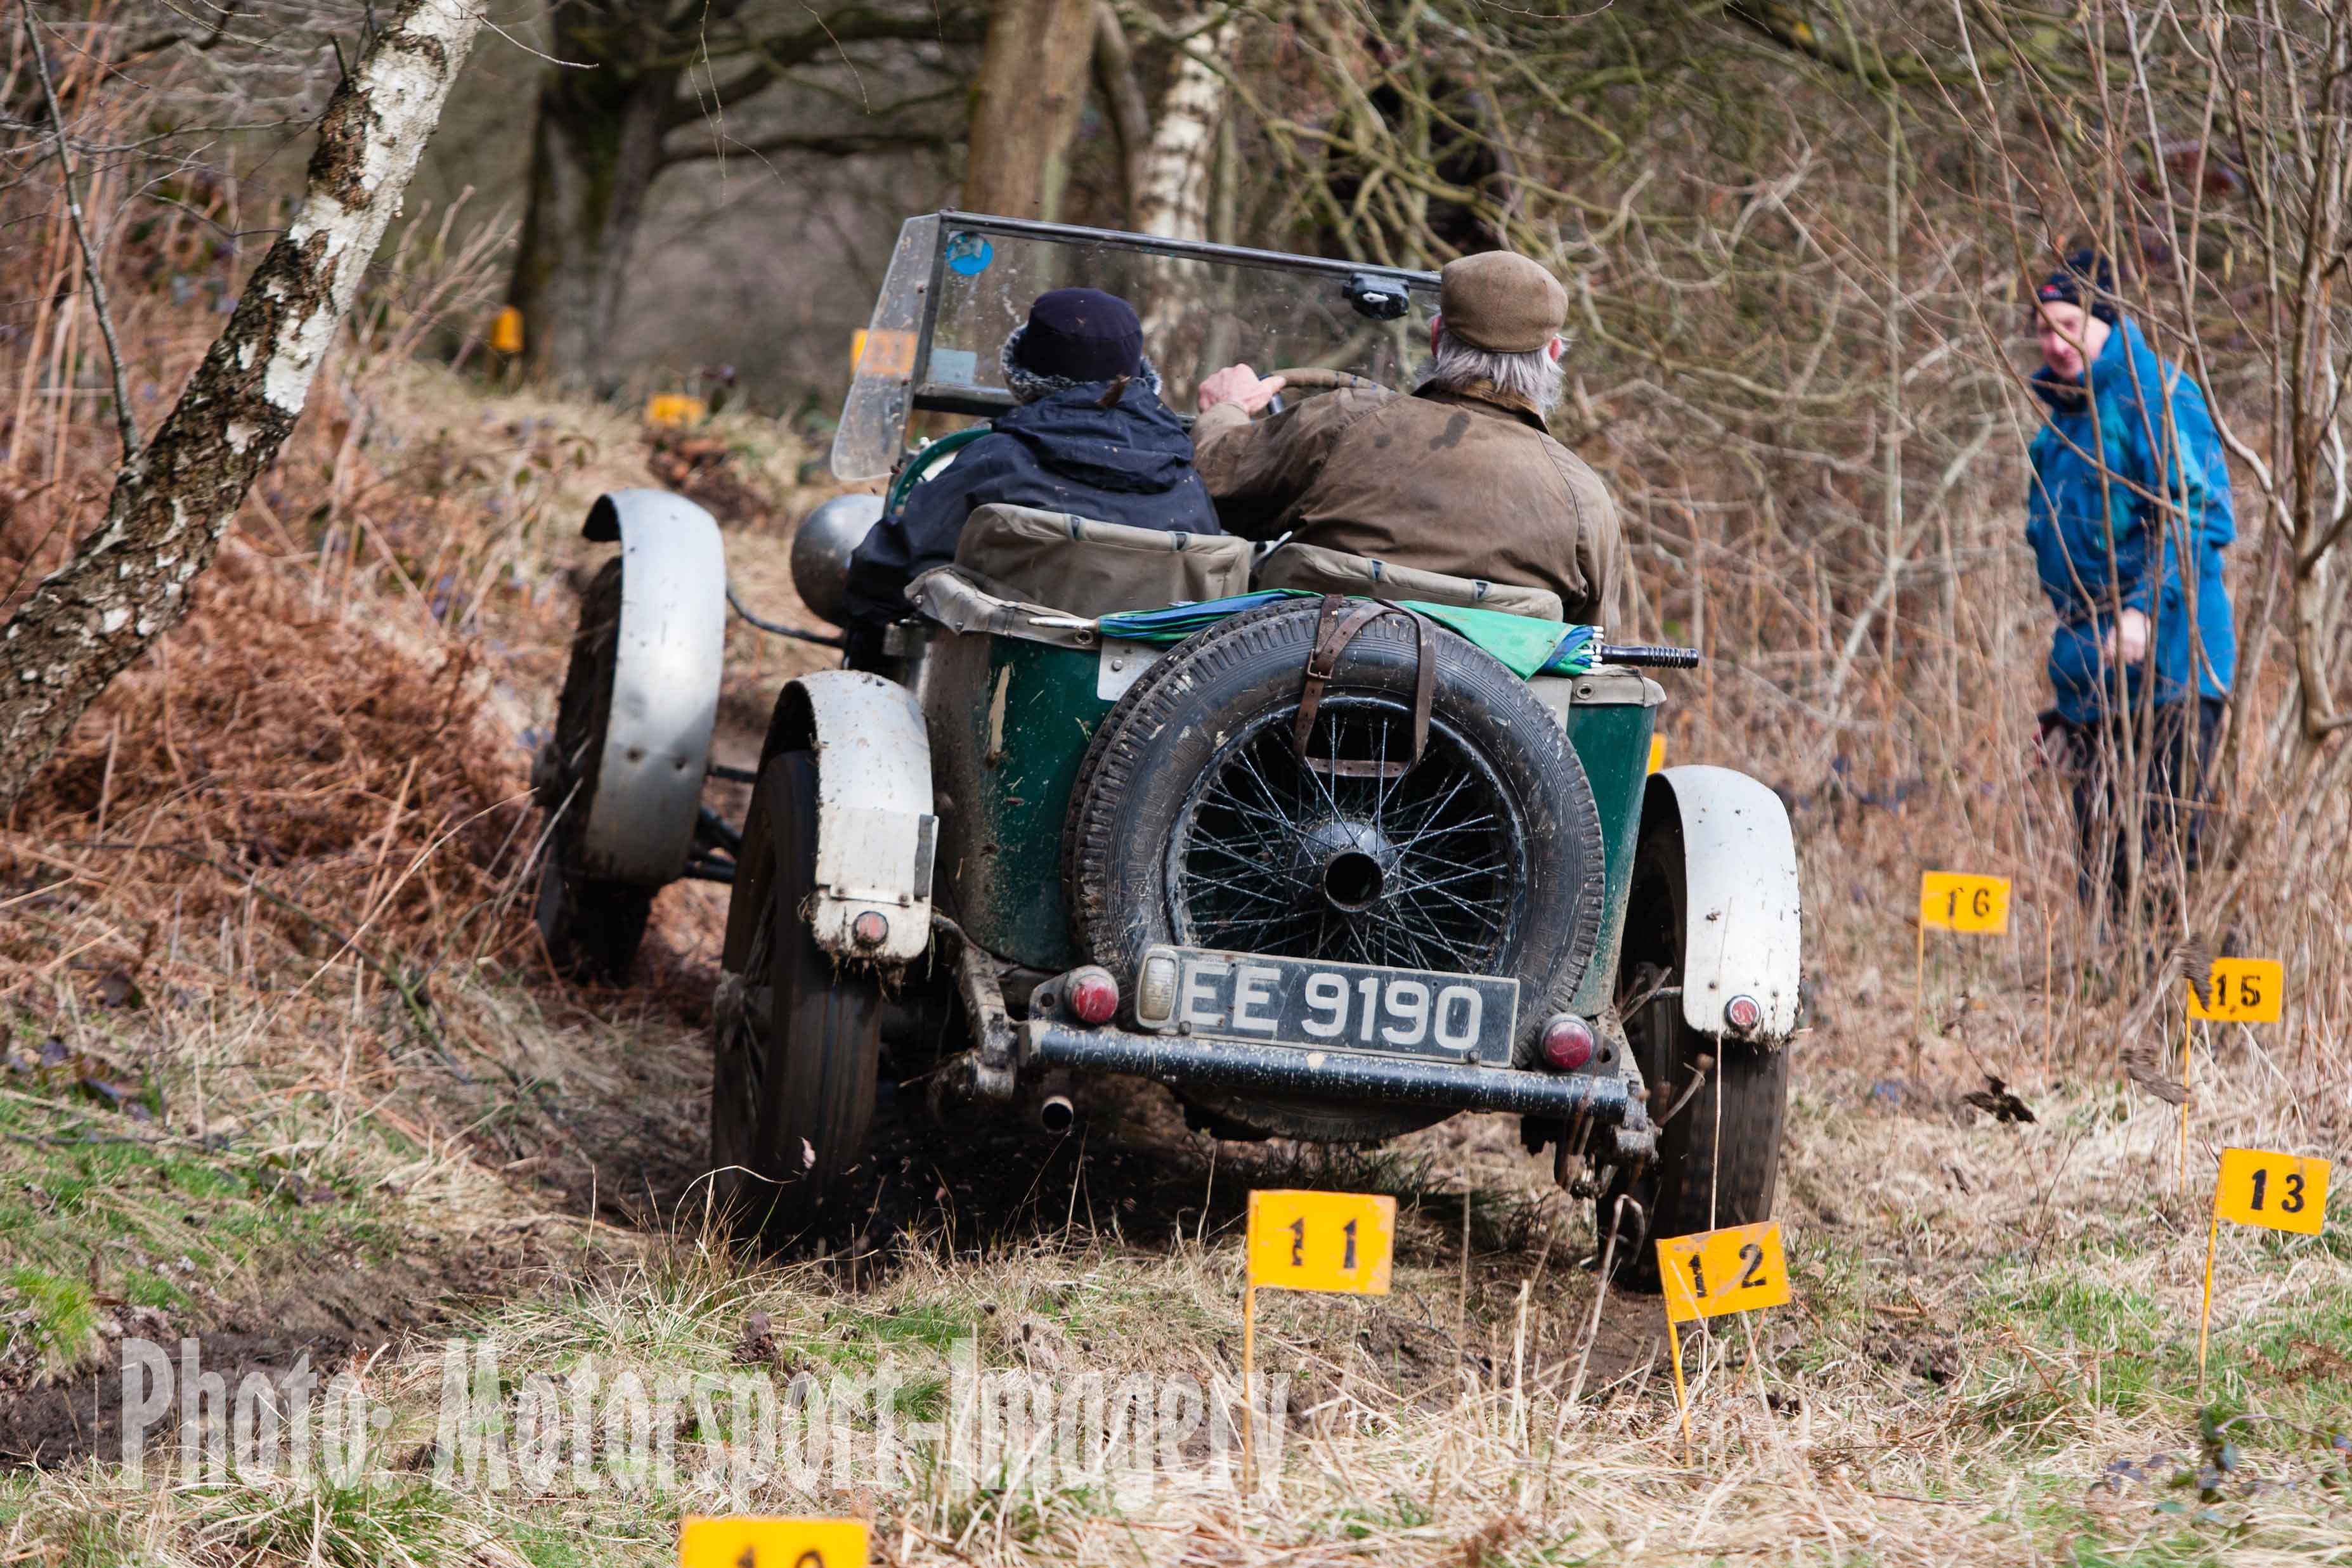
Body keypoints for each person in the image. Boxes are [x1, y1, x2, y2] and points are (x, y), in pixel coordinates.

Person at [1186, 250, 1620, 625]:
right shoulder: (1583, 500)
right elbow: (1595, 648)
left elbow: (1213, 485)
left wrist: (1226, 408)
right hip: (1480, 720)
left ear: (1435, 338)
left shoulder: (1344, 422)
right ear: (1553, 353)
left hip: (1285, 705)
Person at [842, 288, 1220, 659]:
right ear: (1141, 378)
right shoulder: (1187, 483)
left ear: (1023, 378)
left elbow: (885, 568)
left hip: (995, 684)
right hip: (1157, 705)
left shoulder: (994, 461)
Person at [2025, 249, 2236, 911]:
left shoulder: (2157, 398)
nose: (2052, 342)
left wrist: (2143, 612)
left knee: (2167, 864)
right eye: (2041, 327)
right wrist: (2065, 704)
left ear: (2106, 321)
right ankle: (2121, 1005)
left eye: (2067, 323)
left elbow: (2195, 517)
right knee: (2103, 874)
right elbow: (2073, 583)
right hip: (2097, 688)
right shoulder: (2057, 431)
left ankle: (2196, 1013)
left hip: (2171, 674)